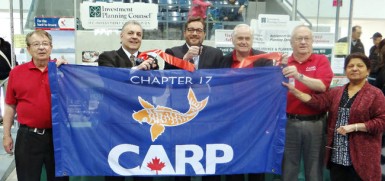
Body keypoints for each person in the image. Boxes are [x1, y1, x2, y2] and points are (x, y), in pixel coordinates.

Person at [283, 53, 385, 181]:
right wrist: (295, 91)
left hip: (362, 157)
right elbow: (319, 102)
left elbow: (382, 121)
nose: (354, 69)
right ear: (345, 70)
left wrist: (355, 127)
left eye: (360, 66)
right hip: (337, 156)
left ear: (368, 71)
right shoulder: (337, 92)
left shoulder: (375, 94)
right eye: (350, 66)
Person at [2, 30, 69, 181]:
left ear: (51, 47)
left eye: (45, 44)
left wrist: (66, 71)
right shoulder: (17, 73)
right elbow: (10, 106)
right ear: (28, 49)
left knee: (60, 178)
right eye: (36, 44)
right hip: (28, 137)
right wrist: (6, 135)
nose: (41, 48)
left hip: (58, 136)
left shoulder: (62, 70)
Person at [164, 16, 224, 181]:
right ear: (185, 33)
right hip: (181, 115)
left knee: (210, 162)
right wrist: (185, 60)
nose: (195, 33)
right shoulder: (172, 52)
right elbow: (167, 81)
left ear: (204, 34)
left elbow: (223, 84)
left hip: (209, 116)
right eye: (191, 30)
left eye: (199, 30)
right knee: (182, 163)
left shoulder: (216, 54)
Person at [97, 20, 155, 181]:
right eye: (130, 33)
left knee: (143, 171)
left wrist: (153, 73)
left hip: (142, 124)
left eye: (138, 34)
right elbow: (109, 78)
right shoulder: (107, 56)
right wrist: (137, 70)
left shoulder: (150, 60)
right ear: (121, 36)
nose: (134, 37)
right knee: (114, 171)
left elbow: (158, 90)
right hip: (115, 122)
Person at [281, 25, 334, 181]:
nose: (303, 42)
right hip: (289, 122)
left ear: (312, 42)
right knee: (289, 168)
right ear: (291, 42)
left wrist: (298, 75)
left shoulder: (321, 60)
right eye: (299, 38)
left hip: (315, 123)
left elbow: (322, 85)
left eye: (307, 38)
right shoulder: (282, 63)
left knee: (314, 169)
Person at [222, 24, 272, 181]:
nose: (243, 41)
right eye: (240, 38)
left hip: (257, 121)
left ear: (252, 40)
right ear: (232, 40)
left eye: (247, 38)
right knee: (234, 164)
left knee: (256, 164)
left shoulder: (264, 60)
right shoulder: (223, 61)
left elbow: (269, 88)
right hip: (232, 121)